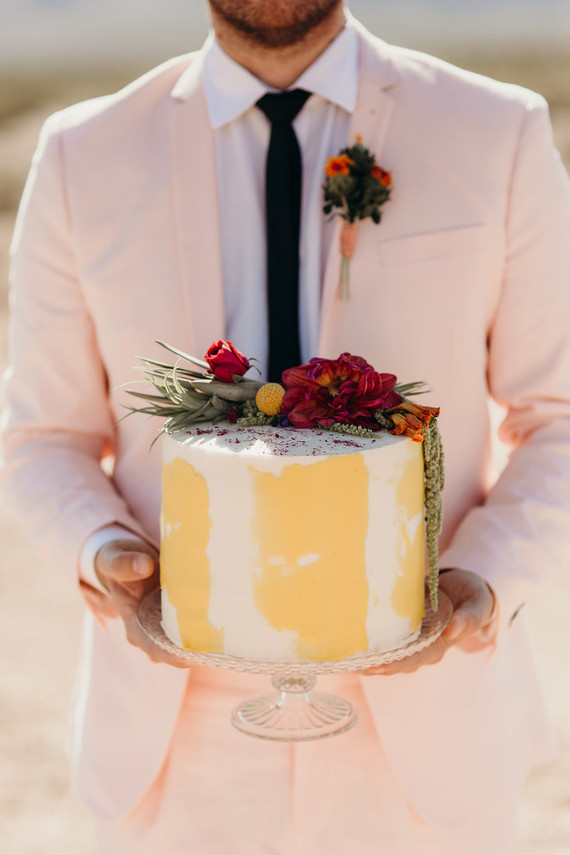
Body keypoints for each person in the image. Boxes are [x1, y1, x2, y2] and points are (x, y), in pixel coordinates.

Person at [2, 1, 570, 852]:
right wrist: (99, 553)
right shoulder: (83, 154)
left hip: (427, 728)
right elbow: (43, 436)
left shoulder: (499, 130)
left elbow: (555, 417)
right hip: (170, 740)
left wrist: (483, 581)